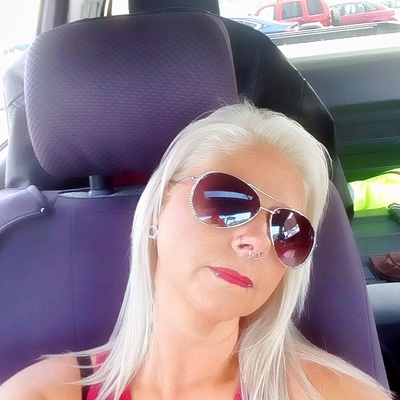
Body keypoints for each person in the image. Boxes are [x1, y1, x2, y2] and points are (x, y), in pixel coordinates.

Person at [0, 103, 392, 400]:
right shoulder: (45, 393)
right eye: (227, 201)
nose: (257, 241)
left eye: (287, 230)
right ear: (159, 206)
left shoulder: (333, 394)